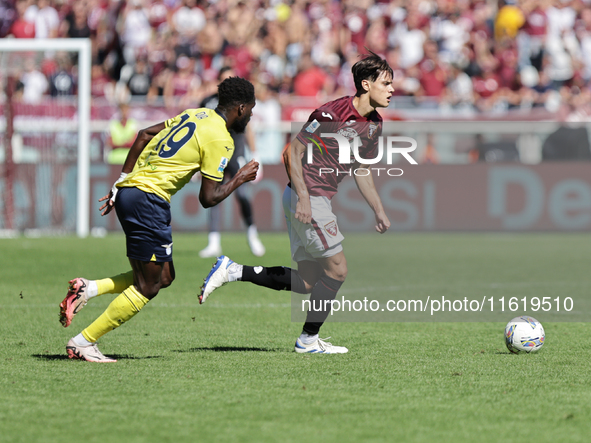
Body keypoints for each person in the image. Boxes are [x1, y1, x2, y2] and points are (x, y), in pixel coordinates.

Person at [199, 52, 393, 354]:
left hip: (309, 198)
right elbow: (292, 153)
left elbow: (362, 169)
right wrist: (304, 197)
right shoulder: (330, 114)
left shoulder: (374, 125)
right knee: (338, 270)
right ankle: (307, 341)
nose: (392, 89)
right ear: (366, 85)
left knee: (306, 281)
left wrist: (379, 210)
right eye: (386, 83)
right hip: (308, 195)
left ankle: (232, 270)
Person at [59, 76, 259, 362]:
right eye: (251, 109)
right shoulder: (222, 139)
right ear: (240, 108)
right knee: (149, 286)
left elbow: (142, 134)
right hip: (148, 200)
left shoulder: (195, 114)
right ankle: (83, 342)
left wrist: (120, 182)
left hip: (133, 192)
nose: (251, 115)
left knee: (164, 275)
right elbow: (208, 199)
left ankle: (88, 288)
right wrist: (239, 178)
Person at [198, 67, 265, 258]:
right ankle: (213, 242)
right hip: (214, 154)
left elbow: (248, 127)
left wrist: (255, 153)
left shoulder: (240, 102)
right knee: (212, 196)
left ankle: (252, 235)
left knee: (243, 195)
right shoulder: (208, 101)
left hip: (236, 152)